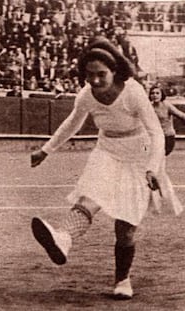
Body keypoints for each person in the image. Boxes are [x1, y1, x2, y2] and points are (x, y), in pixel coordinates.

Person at [29, 37, 183, 300]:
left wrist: (152, 167)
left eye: (101, 74)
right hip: (107, 149)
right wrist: (46, 149)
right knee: (90, 195)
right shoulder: (87, 94)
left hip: (140, 152)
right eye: (90, 75)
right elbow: (72, 124)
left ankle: (122, 279)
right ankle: (63, 237)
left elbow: (156, 133)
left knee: (125, 229)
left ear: (115, 71)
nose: (96, 81)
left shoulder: (133, 92)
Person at [149, 85, 185, 156]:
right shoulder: (149, 107)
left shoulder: (166, 105)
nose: (155, 95)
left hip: (168, 137)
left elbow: (180, 115)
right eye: (152, 93)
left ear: (161, 95)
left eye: (157, 93)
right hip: (155, 137)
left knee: (160, 156)